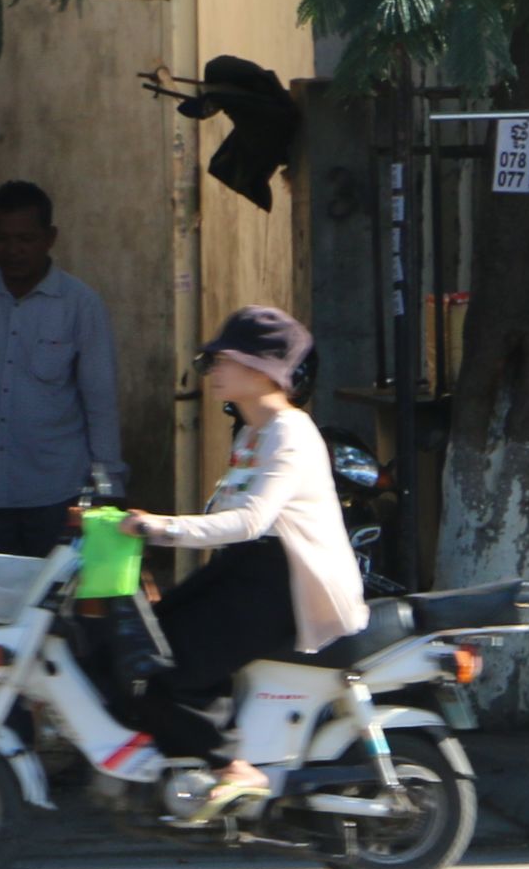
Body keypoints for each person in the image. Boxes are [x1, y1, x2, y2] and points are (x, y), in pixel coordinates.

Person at [120, 307, 367, 817]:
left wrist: (159, 528)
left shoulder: (290, 434)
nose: (212, 369)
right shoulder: (254, 433)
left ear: (262, 371)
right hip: (245, 572)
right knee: (144, 645)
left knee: (172, 663)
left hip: (280, 583)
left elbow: (251, 521)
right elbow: (226, 516)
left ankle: (234, 767)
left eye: (222, 359)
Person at [0, 182, 125, 556]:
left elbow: (100, 402)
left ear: (49, 238)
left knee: (50, 610)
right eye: (2, 239)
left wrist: (108, 488)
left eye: (26, 239)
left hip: (54, 495)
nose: (13, 250)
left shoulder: (80, 305)